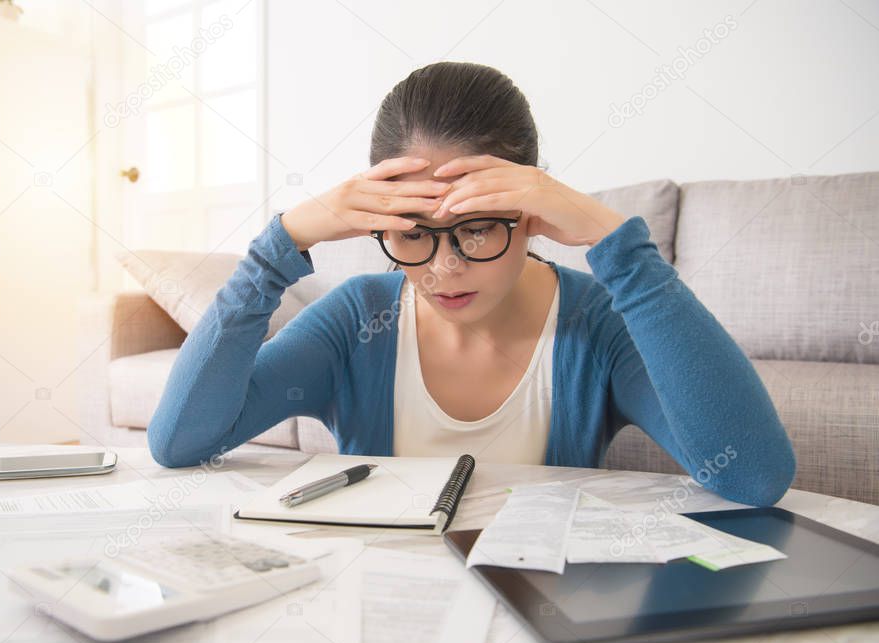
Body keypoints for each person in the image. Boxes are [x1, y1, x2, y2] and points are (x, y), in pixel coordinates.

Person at [147, 61, 796, 507]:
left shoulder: (594, 322)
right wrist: (274, 251)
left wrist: (616, 244)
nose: (443, 267)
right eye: (411, 231)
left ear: (532, 209)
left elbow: (754, 474)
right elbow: (181, 442)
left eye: (477, 228)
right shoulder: (355, 320)